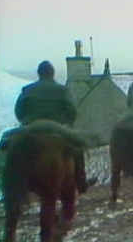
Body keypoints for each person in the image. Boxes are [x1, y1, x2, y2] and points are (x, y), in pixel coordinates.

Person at [13, 60, 96, 194]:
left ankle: (13, 182)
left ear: (38, 74)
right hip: (57, 127)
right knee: (77, 148)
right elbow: (71, 111)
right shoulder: (61, 90)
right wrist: (67, 123)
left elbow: (18, 111)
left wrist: (26, 121)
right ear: (52, 74)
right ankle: (80, 182)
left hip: (31, 126)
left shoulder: (27, 90)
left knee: (10, 145)